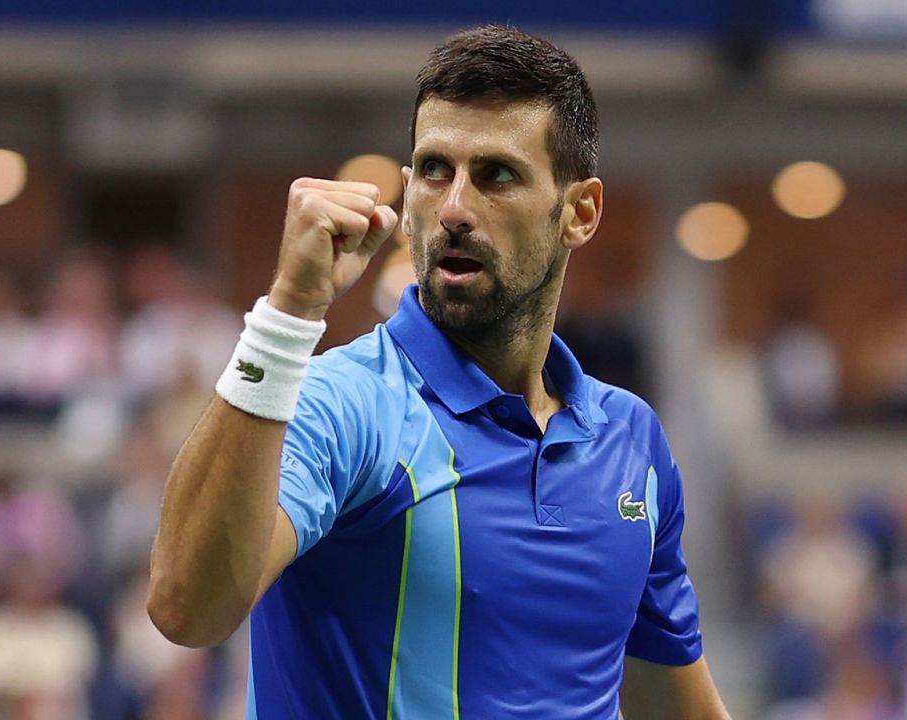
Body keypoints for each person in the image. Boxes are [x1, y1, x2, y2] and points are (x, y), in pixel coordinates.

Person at [148, 25, 730, 719]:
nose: (453, 209)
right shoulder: (345, 404)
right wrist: (287, 313)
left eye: (497, 175)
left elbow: (669, 703)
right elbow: (187, 608)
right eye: (433, 170)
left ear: (579, 213)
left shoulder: (631, 440)